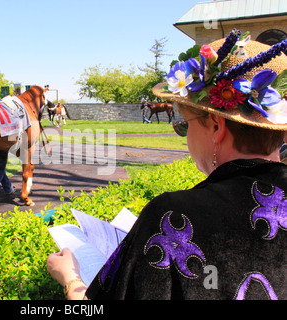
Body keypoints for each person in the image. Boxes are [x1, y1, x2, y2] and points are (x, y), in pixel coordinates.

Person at [47, 31, 287, 300]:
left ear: (217, 127)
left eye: (184, 125)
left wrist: (71, 279)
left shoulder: (172, 215)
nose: (185, 137)